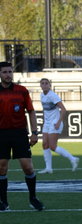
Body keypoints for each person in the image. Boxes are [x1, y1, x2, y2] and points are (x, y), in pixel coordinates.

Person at [0, 61, 44, 211]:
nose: (8, 75)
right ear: (0, 74)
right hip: (1, 133)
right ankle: (4, 202)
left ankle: (33, 198)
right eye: (5, 72)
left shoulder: (21, 90)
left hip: (19, 133)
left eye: (10, 71)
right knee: (1, 168)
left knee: (28, 167)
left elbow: (31, 111)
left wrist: (34, 133)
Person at [38, 78, 79, 173]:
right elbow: (45, 110)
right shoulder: (41, 95)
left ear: (50, 85)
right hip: (47, 123)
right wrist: (45, 121)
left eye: (46, 83)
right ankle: (48, 168)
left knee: (52, 146)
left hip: (55, 122)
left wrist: (59, 122)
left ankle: (73, 159)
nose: (44, 85)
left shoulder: (53, 96)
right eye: (42, 83)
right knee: (45, 144)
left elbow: (63, 109)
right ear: (40, 85)